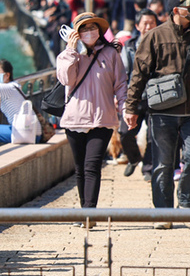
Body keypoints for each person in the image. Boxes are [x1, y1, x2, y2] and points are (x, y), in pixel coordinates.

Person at [124, 0, 190, 230]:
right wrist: (131, 107)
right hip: (161, 112)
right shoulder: (154, 37)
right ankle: (163, 213)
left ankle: (186, 207)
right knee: (163, 164)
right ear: (176, 11)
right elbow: (138, 75)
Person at [57, 12, 127, 226]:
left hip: (103, 119)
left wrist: (125, 110)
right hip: (75, 119)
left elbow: (121, 84)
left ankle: (89, 213)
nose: (89, 33)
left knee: (92, 165)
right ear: (76, 33)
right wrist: (71, 50)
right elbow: (66, 79)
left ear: (100, 30)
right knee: (80, 168)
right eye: (84, 29)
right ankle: (84, 211)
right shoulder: (67, 56)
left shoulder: (111, 53)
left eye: (93, 28)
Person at [119, 9, 158, 180]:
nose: (148, 26)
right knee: (125, 133)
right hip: (134, 97)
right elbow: (122, 74)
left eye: (152, 23)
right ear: (137, 26)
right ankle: (134, 158)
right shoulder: (129, 47)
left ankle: (148, 169)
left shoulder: (162, 45)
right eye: (145, 23)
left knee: (153, 135)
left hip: (155, 97)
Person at [0, 59, 39, 150]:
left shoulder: (8, 89)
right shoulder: (13, 86)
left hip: (28, 133)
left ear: (7, 75)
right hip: (30, 131)